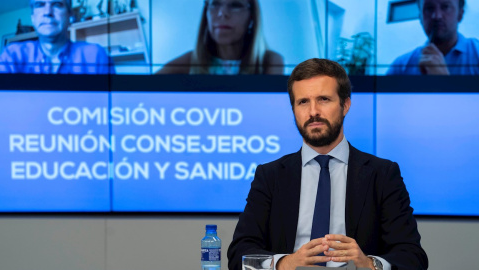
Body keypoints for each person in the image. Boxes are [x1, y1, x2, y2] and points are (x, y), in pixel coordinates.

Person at [227, 58, 428, 270]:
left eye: (323, 99)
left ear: (345, 105)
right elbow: (239, 254)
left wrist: (368, 264)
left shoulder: (382, 174)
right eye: (303, 102)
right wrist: (285, 263)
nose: (313, 111)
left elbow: (412, 257)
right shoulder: (270, 176)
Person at [156, 0, 284, 75]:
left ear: (251, 17)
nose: (222, 13)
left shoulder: (269, 61)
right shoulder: (189, 61)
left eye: (235, 5)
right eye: (215, 3)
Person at [0, 0, 114, 74]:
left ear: (70, 15)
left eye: (57, 4)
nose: (48, 12)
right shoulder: (12, 55)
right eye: (40, 4)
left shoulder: (95, 56)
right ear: (33, 17)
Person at [387, 0, 479, 75]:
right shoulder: (400, 67)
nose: (437, 16)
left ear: (460, 15)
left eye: (445, 6)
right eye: (429, 8)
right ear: (420, 17)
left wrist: (443, 82)